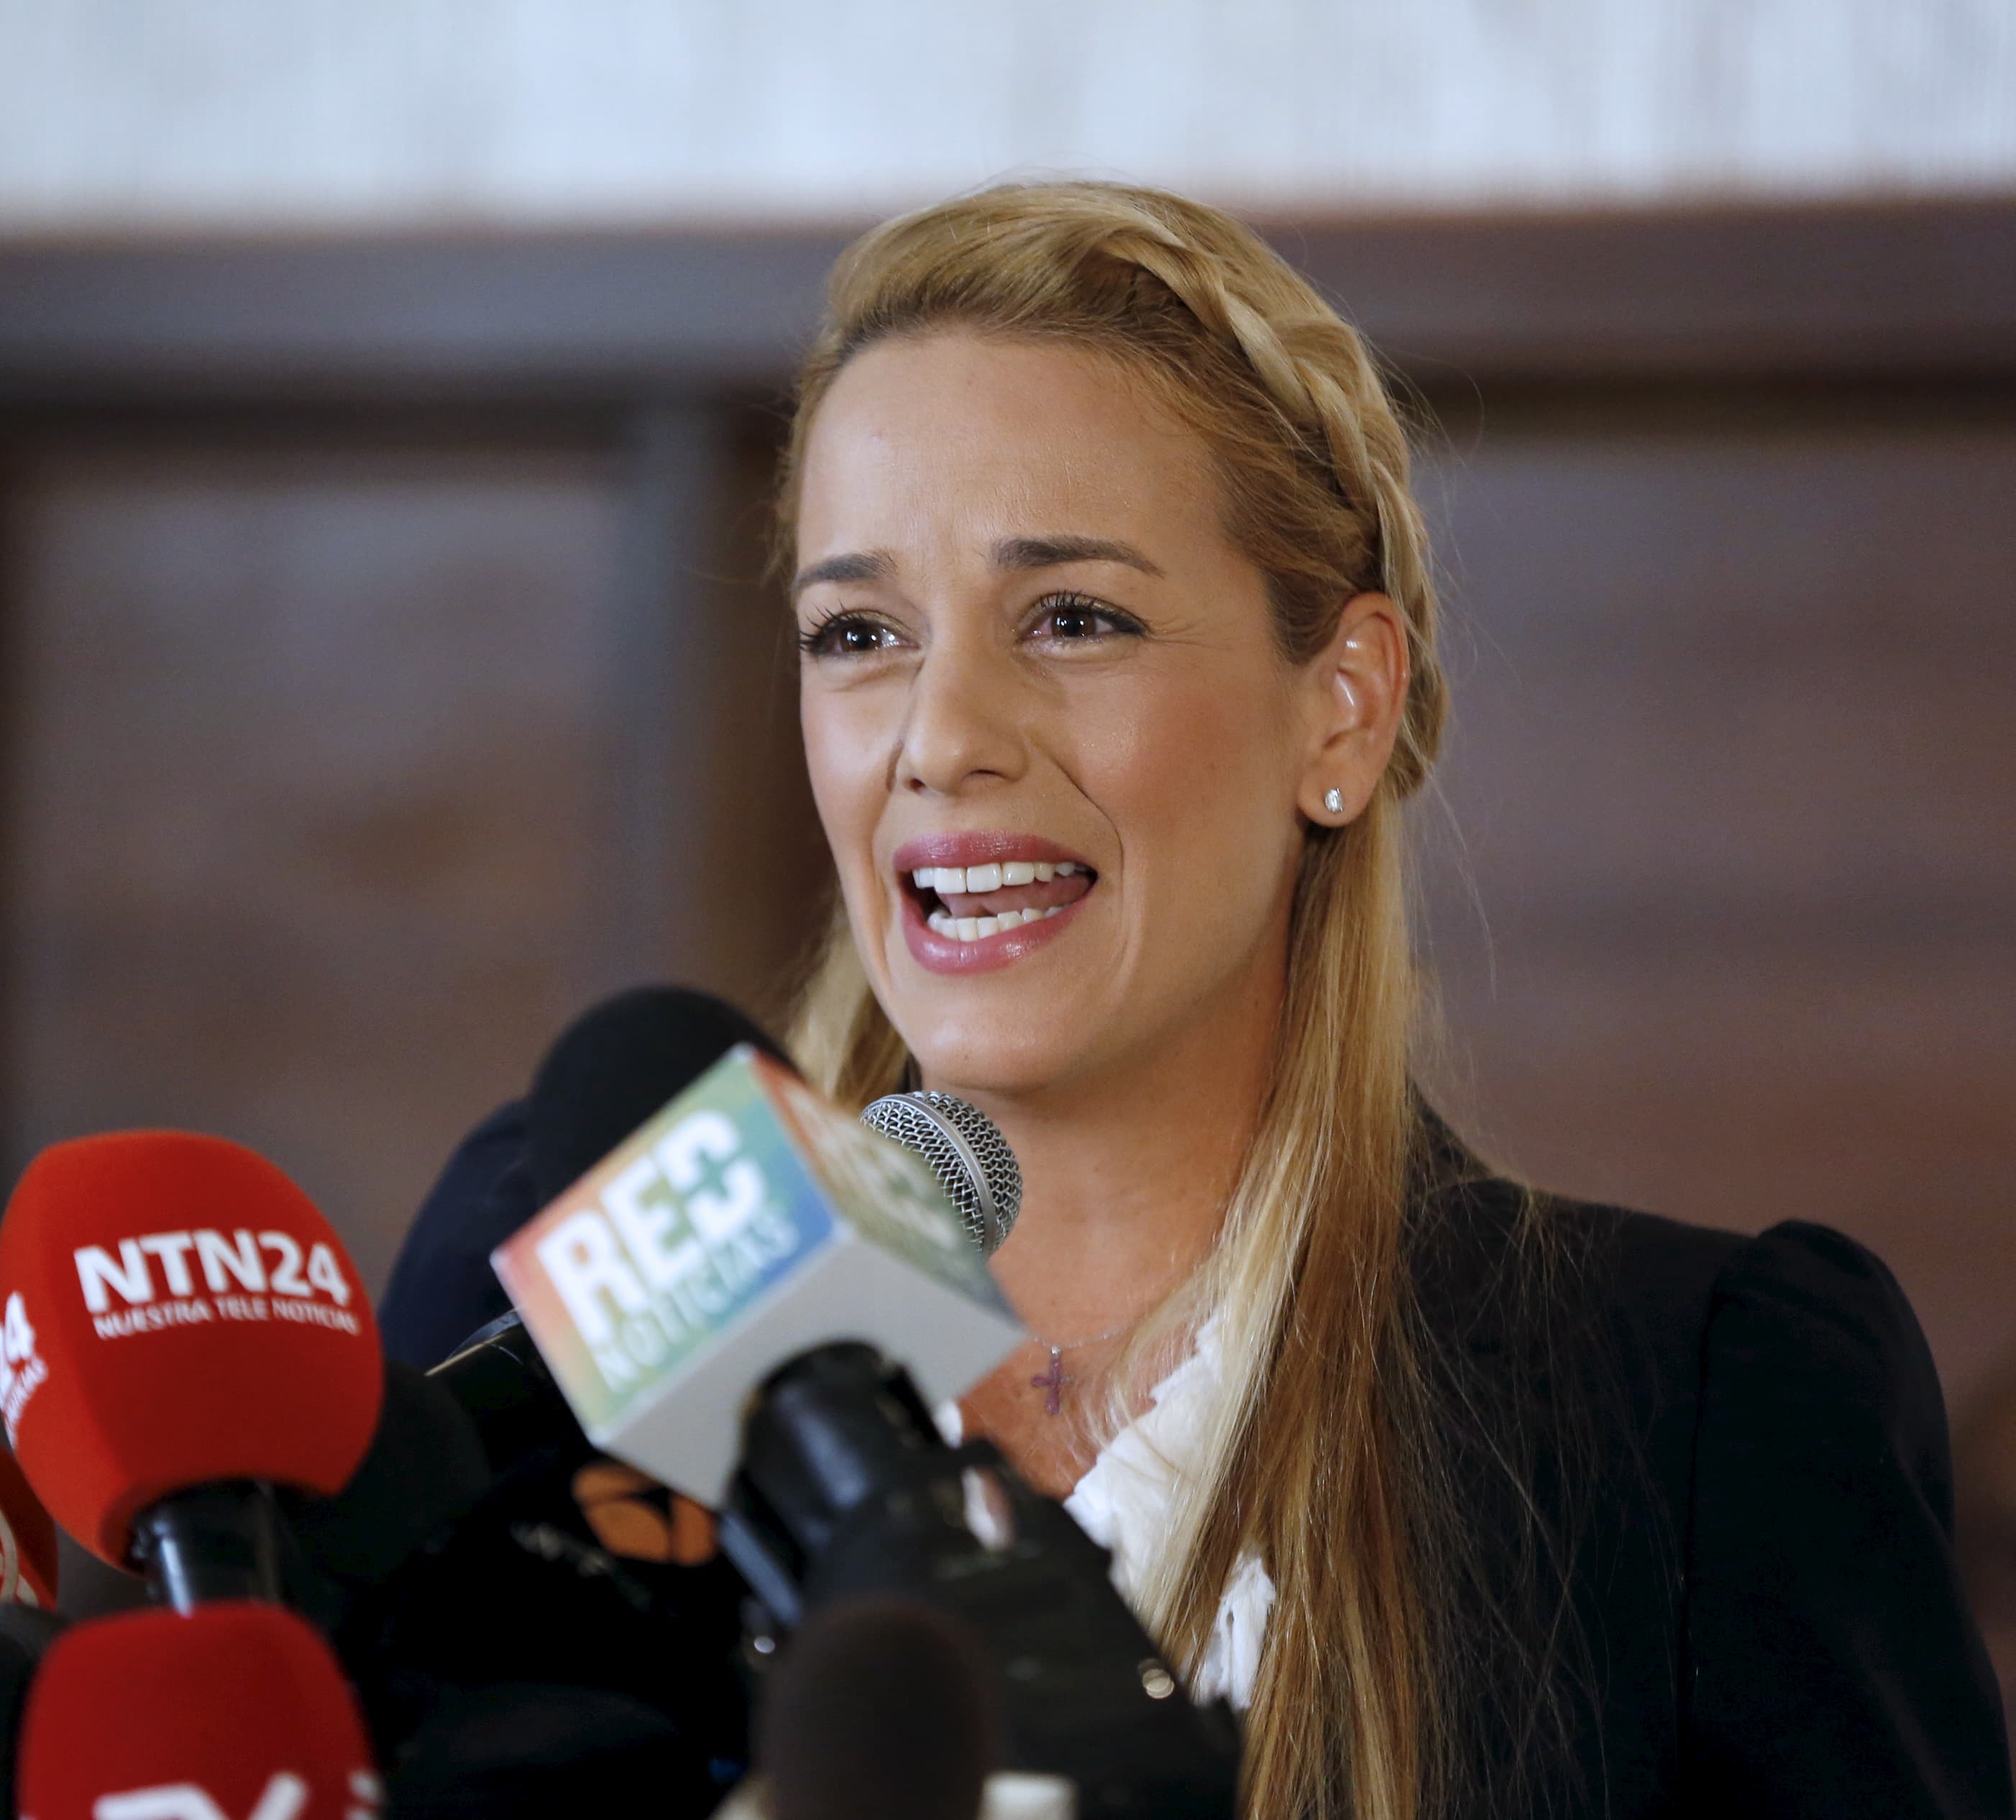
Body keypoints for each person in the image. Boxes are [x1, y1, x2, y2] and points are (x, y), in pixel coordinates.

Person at [385, 181, 2011, 1818]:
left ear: (1341, 709)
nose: (941, 736)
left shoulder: (1698, 1417)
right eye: (859, 631)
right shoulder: (560, 1257)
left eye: (1072, 619)